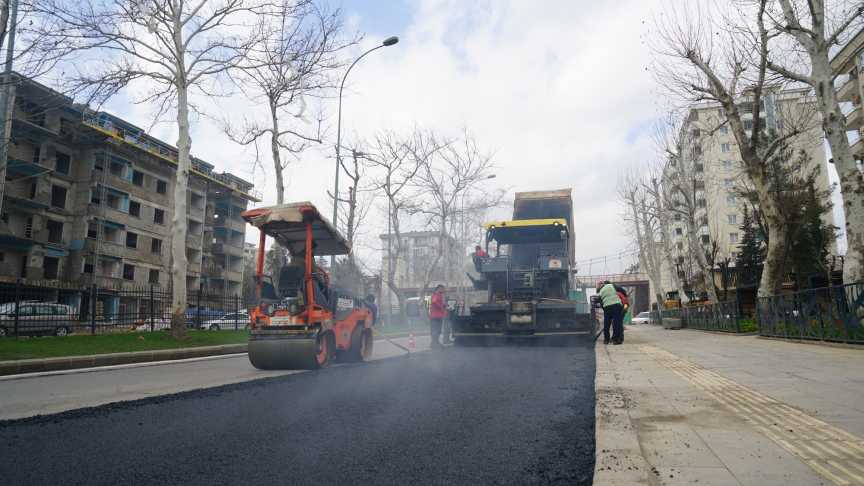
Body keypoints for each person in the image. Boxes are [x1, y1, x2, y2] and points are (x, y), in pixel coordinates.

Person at [596, 280, 625, 345]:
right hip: (616, 305)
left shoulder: (600, 292)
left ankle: (606, 340)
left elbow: (601, 303)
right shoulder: (611, 285)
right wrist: (625, 295)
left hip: (607, 307)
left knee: (607, 323)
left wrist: (605, 309)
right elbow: (622, 290)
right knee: (616, 323)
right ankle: (616, 340)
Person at [429, 284, 447, 349]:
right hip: (435, 316)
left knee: (438, 330)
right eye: (443, 289)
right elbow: (434, 302)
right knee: (435, 330)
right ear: (439, 288)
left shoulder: (439, 295)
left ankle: (435, 343)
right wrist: (441, 306)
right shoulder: (436, 295)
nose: (444, 290)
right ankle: (434, 343)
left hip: (438, 316)